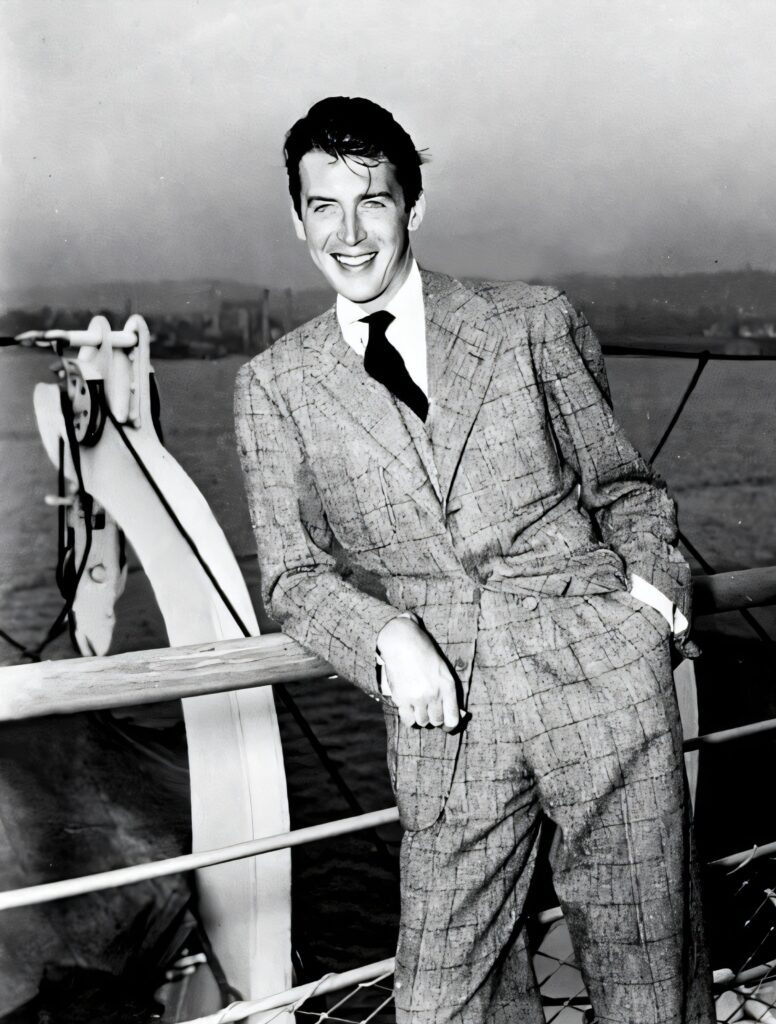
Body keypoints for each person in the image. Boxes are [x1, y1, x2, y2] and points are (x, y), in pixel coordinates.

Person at [234, 96, 716, 1024]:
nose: (348, 231)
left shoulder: (530, 323)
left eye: (371, 200)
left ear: (414, 207)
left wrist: (647, 618)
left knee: (651, 981)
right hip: (443, 725)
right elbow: (292, 576)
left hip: (600, 688)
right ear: (295, 219)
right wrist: (384, 636)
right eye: (322, 205)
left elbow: (626, 491)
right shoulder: (274, 387)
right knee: (443, 998)